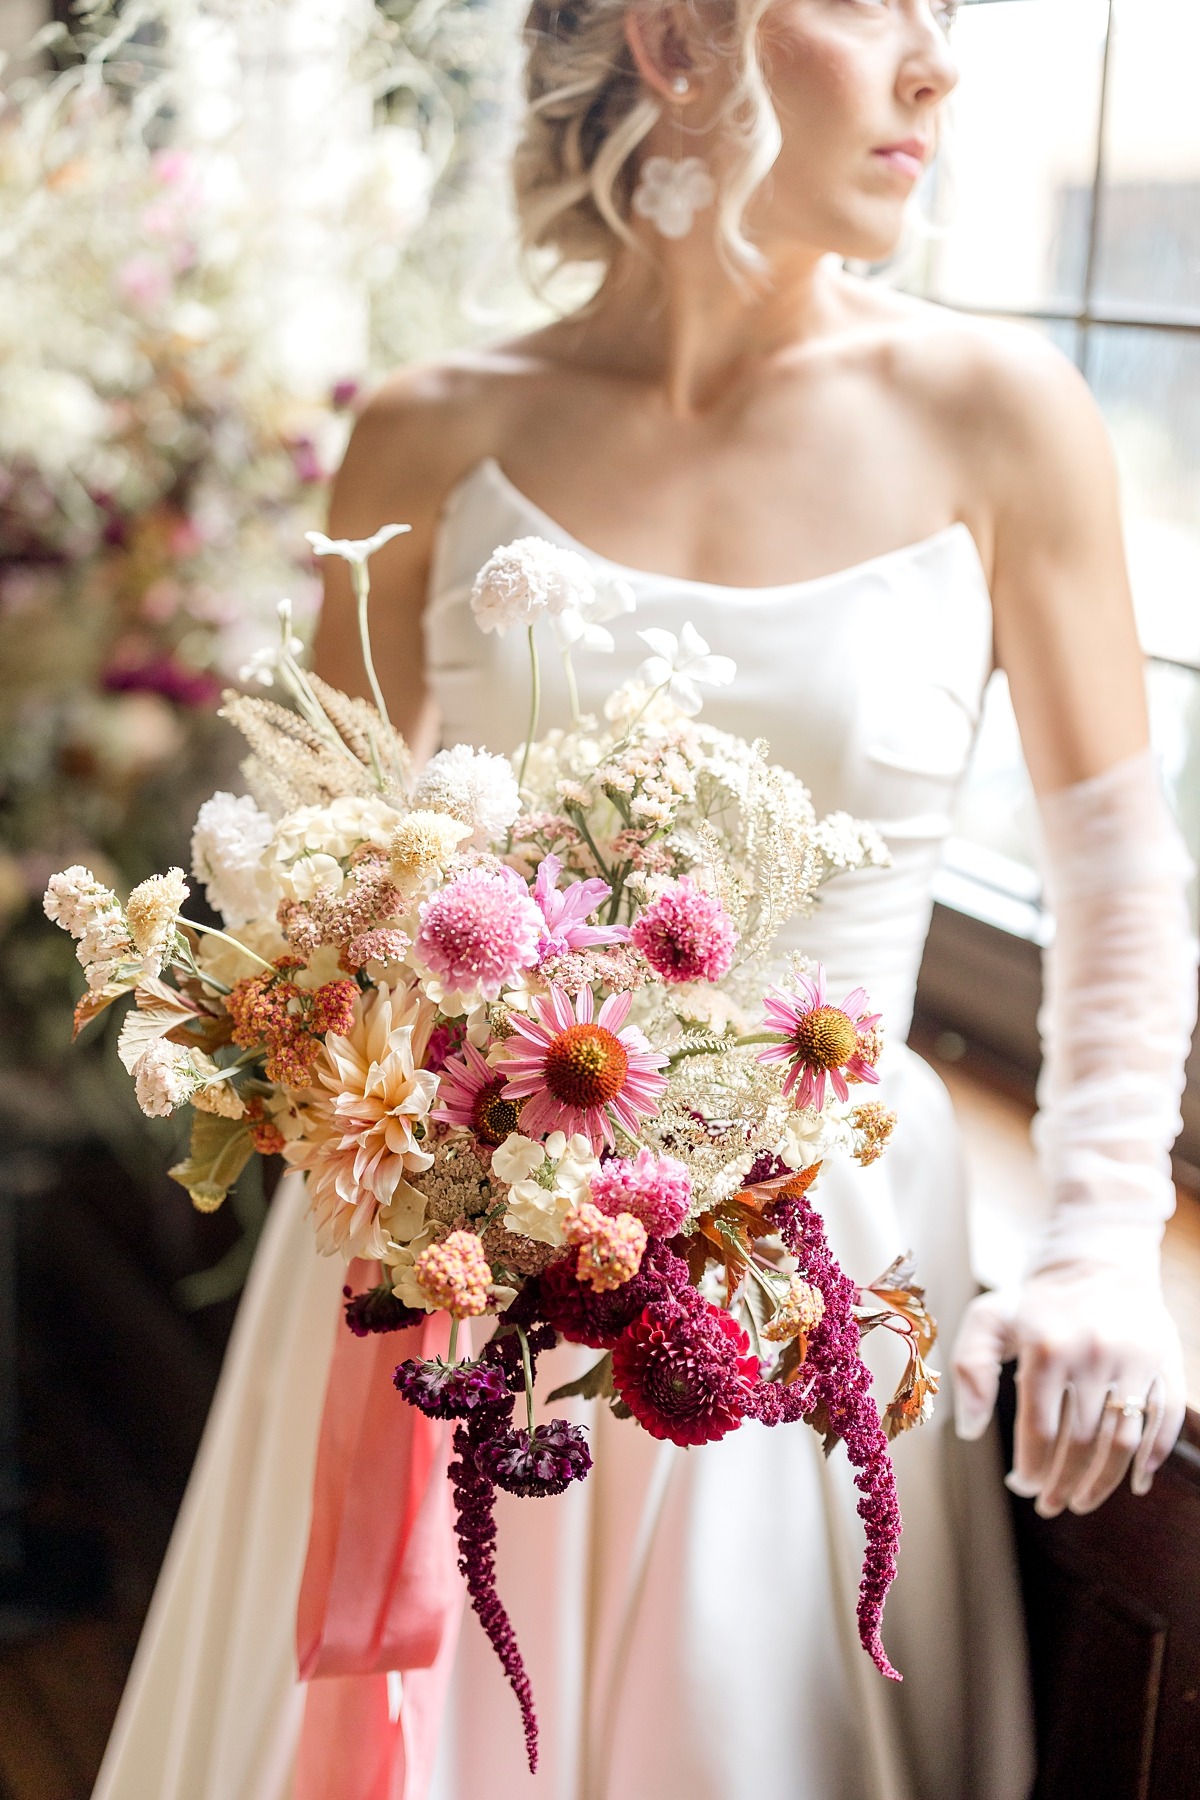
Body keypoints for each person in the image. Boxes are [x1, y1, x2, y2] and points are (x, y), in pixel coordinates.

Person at [93, 3, 1195, 1798]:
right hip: (443, 1260)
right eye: (872, 6)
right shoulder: (433, 434)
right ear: (678, 40)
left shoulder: (1004, 417)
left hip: (804, 1256)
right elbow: (315, 887)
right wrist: (422, 1114)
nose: (938, 65)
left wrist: (1093, 1245)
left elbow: (1121, 876)